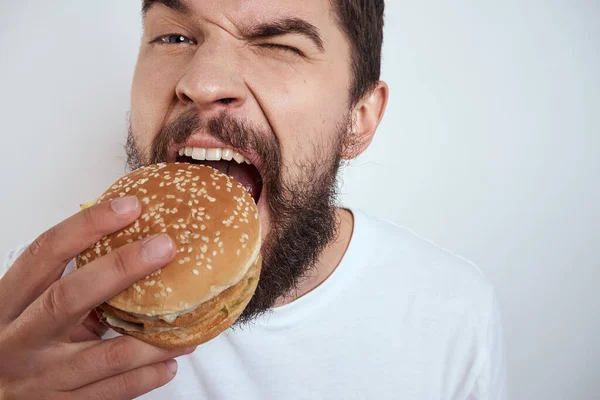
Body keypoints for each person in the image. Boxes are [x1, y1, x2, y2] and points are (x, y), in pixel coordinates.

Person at [0, 0, 507, 399]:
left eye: (279, 45)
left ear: (360, 117)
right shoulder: (31, 313)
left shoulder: (452, 310)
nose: (201, 83)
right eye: (174, 36)